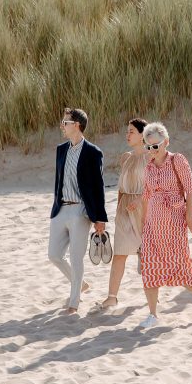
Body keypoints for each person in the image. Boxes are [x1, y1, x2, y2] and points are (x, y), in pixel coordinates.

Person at [138, 122, 192, 329]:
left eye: (155, 146)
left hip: (174, 220)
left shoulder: (177, 160)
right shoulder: (147, 167)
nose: (151, 151)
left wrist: (190, 216)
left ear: (166, 142)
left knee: (179, 266)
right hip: (152, 224)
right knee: (150, 266)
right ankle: (152, 314)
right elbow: (146, 197)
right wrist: (143, 224)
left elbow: (190, 190)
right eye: (148, 147)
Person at [49, 108, 108, 315]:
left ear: (77, 125)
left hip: (81, 212)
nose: (62, 126)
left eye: (65, 123)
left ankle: (74, 302)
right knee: (54, 255)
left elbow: (98, 186)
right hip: (60, 209)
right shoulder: (61, 150)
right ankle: (81, 284)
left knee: (76, 258)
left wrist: (100, 218)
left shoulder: (93, 152)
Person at [101, 118, 147, 309]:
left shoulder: (151, 157)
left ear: (142, 135)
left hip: (144, 206)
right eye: (127, 131)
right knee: (119, 254)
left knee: (146, 254)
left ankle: (152, 296)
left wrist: (140, 201)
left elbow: (155, 186)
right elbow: (121, 187)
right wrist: (119, 208)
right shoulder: (126, 157)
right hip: (125, 209)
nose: (127, 135)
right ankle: (112, 296)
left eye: (131, 132)